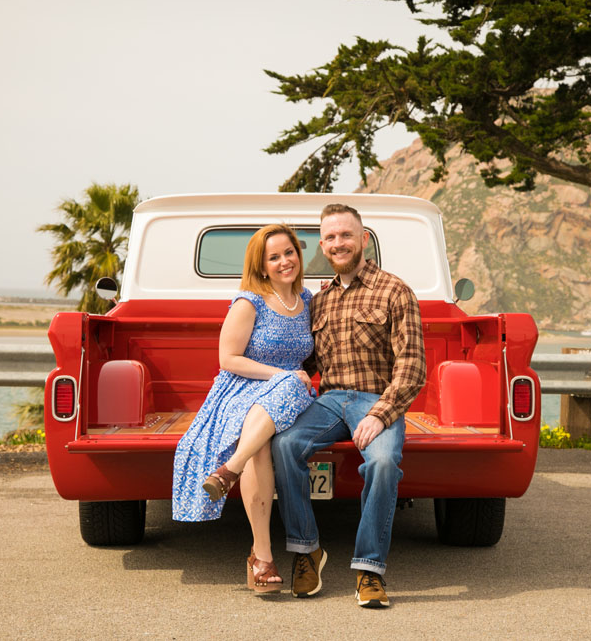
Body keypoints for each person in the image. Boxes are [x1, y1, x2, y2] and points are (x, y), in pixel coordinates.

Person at [272, 203, 426, 609]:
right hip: (330, 402)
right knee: (285, 445)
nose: (338, 243)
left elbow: (412, 368)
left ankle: (369, 570)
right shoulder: (319, 301)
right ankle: (306, 552)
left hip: (378, 399)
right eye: (330, 238)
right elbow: (306, 361)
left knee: (382, 462)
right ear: (322, 245)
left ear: (364, 240)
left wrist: (380, 414)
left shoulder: (395, 290)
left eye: (346, 235)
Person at [172, 224, 315, 593]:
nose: (285, 261)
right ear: (261, 266)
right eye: (274, 257)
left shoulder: (309, 302)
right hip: (240, 390)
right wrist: (282, 375)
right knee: (260, 446)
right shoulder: (248, 301)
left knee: (287, 390)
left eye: (290, 252)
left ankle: (229, 470)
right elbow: (228, 359)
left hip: (287, 393)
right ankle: (263, 557)